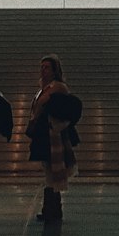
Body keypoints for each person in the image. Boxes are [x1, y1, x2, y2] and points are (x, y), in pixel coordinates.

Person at [28, 54, 82, 222]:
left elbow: (55, 107)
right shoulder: (44, 88)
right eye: (41, 67)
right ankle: (51, 208)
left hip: (53, 134)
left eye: (47, 67)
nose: (43, 71)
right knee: (49, 169)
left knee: (53, 169)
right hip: (45, 133)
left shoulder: (57, 87)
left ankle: (52, 209)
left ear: (54, 70)